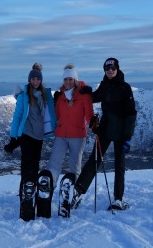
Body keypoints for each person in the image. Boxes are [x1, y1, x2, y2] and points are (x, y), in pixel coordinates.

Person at [72, 57, 137, 211]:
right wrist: (87, 92)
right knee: (94, 159)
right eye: (107, 69)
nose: (110, 71)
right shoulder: (105, 85)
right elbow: (96, 97)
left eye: (112, 68)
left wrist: (128, 137)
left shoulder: (125, 88)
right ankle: (78, 191)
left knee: (119, 165)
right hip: (106, 129)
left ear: (117, 69)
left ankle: (118, 199)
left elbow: (131, 114)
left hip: (121, 132)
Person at [5, 63, 56, 220]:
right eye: (32, 79)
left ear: (40, 80)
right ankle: (24, 197)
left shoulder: (45, 95)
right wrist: (14, 137)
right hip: (27, 135)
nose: (35, 81)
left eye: (37, 79)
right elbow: (17, 116)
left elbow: (52, 112)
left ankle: (31, 193)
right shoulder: (24, 96)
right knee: (26, 165)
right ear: (29, 80)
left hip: (40, 136)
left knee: (34, 165)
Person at [49, 64, 93, 217]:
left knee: (74, 166)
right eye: (65, 79)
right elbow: (56, 116)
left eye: (70, 79)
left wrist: (94, 125)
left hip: (78, 135)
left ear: (75, 79)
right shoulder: (60, 96)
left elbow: (89, 115)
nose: (68, 82)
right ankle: (48, 189)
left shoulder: (84, 95)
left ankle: (73, 194)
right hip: (61, 134)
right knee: (54, 163)